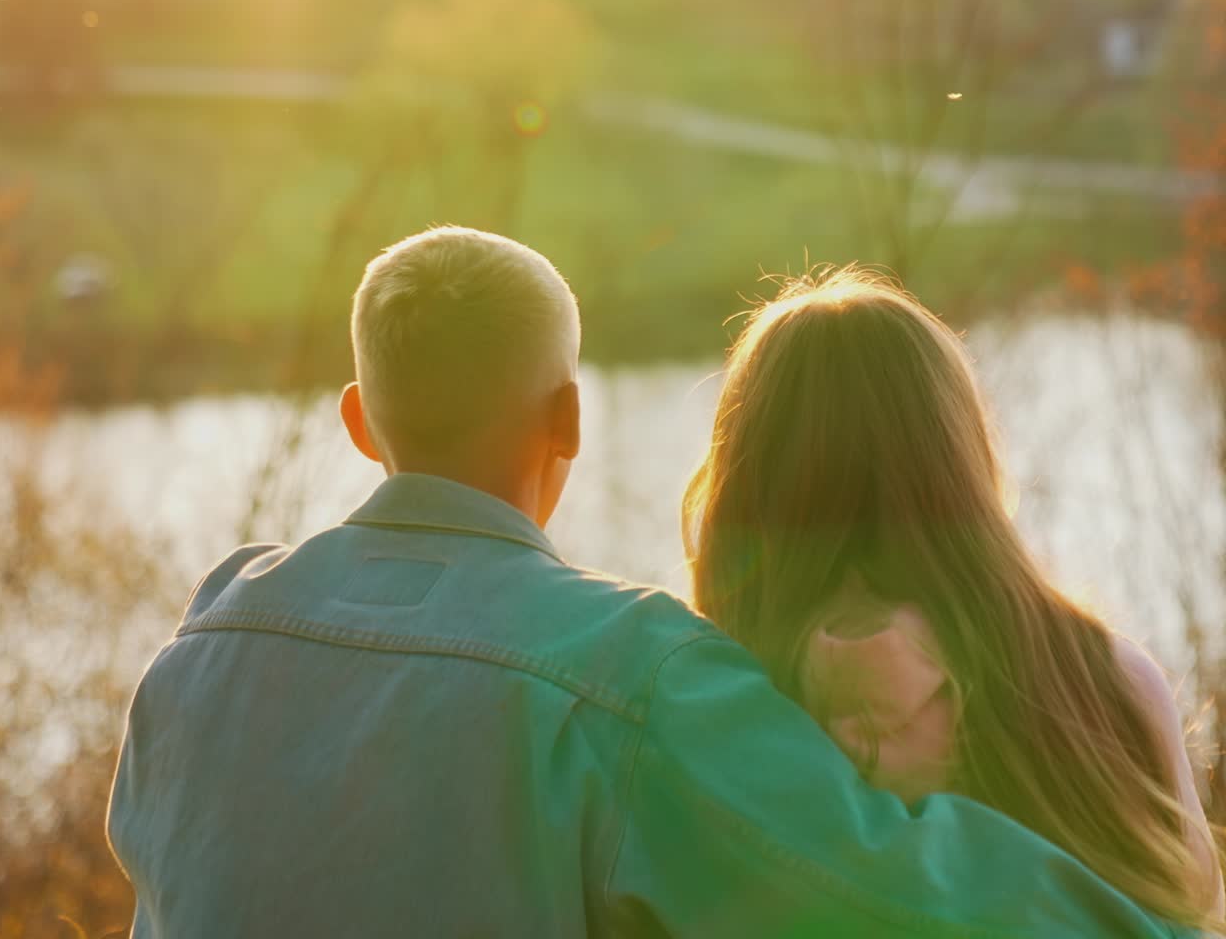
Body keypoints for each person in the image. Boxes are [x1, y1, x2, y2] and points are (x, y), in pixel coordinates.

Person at [109, 228, 1191, 937]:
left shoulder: (202, 642)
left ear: (356, 419)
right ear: (569, 418)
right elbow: (894, 887)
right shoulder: (628, 673)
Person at [683, 265, 1224, 935]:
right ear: (961, 460)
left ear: (745, 483)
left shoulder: (703, 711)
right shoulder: (1111, 683)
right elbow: (1195, 908)